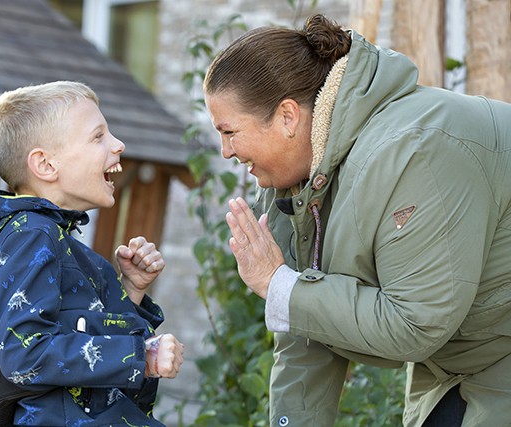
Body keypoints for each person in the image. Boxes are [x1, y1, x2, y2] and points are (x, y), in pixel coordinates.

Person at [203, 13, 511, 427]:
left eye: (229, 132)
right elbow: (305, 327)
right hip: (460, 359)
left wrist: (281, 287)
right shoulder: (296, 180)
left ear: (288, 117)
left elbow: (414, 323)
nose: (225, 152)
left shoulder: (415, 153)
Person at [0, 81, 184, 426]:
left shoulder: (49, 236)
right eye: (97, 137)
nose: (118, 145)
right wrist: (141, 356)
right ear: (45, 165)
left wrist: (131, 291)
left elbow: (77, 333)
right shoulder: (30, 236)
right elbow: (25, 352)